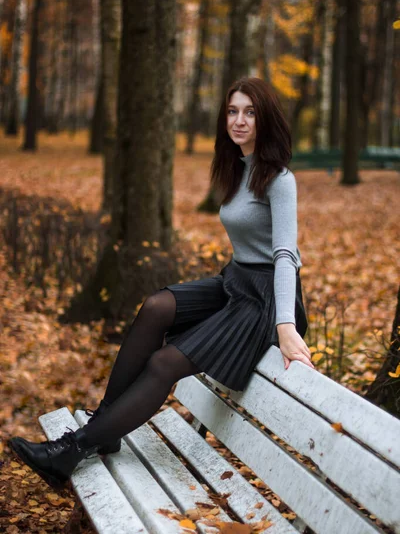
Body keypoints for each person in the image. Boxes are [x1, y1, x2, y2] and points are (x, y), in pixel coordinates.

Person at [9, 76, 314, 491]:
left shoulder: (280, 180)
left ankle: (70, 450)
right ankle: (106, 426)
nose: (239, 120)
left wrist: (285, 325)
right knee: (156, 306)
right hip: (236, 281)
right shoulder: (238, 168)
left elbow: (284, 256)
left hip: (264, 302)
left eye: (250, 112)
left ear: (266, 120)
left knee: (165, 362)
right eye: (232, 111)